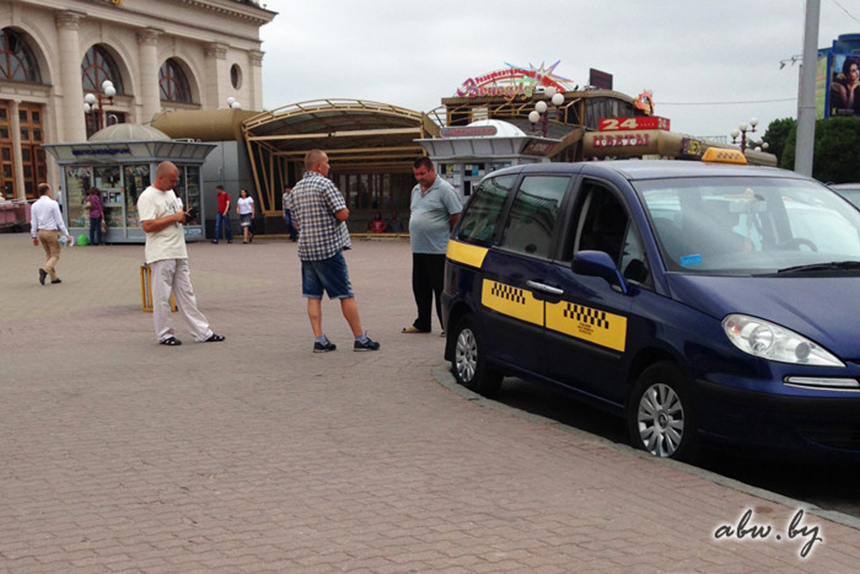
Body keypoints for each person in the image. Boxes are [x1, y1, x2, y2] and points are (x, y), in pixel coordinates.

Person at [290, 149, 380, 353]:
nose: (329, 166)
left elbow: (295, 223)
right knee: (345, 294)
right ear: (318, 166)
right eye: (327, 163)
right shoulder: (324, 184)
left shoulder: (295, 190)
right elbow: (342, 213)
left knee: (313, 296)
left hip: (306, 251)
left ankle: (319, 339)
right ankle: (360, 339)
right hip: (328, 250)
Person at [137, 161, 225, 347]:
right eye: (171, 181)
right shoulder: (147, 196)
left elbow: (172, 217)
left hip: (178, 249)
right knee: (162, 295)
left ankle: (202, 331)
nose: (174, 184)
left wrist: (182, 217)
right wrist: (173, 218)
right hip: (161, 252)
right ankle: (164, 333)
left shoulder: (170, 193)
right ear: (160, 178)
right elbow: (147, 226)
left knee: (186, 292)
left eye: (175, 181)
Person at [402, 157, 462, 335]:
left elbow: (456, 215)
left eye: (422, 173)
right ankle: (422, 323)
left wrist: (451, 238)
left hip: (438, 249)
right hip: (419, 249)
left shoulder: (445, 190)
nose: (419, 177)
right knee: (420, 287)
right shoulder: (415, 190)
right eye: (416, 174)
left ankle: (446, 326)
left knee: (440, 288)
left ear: (431, 170)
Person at [31, 183, 72, 285]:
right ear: (48, 191)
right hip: (51, 232)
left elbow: (33, 222)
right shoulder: (53, 204)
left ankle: (54, 278)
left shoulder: (34, 205)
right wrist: (66, 233)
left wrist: (34, 236)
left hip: (41, 232)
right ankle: (45, 270)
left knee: (48, 254)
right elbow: (59, 220)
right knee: (55, 254)